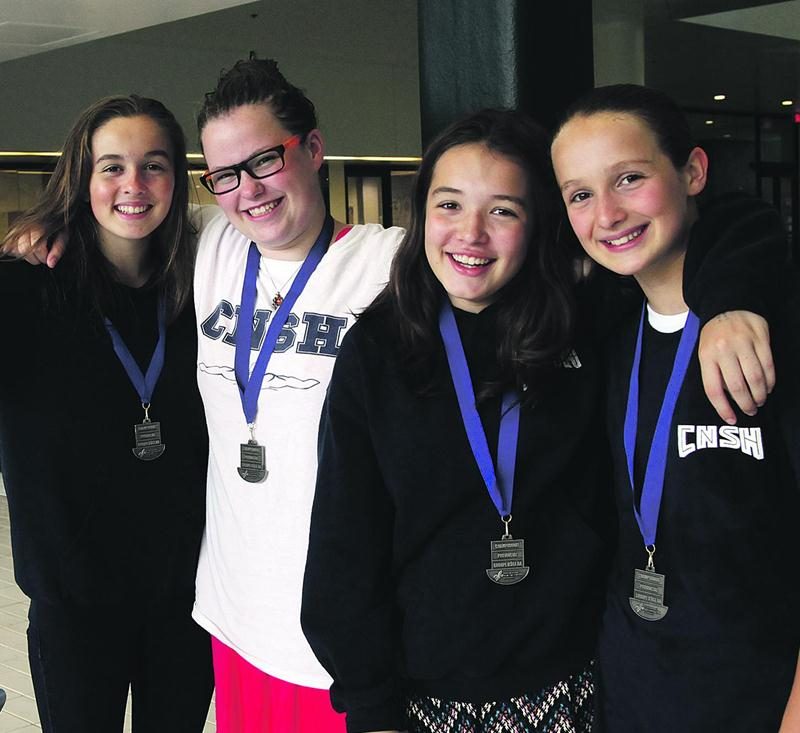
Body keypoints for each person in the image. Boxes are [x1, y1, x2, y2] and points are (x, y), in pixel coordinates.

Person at [550, 83, 800, 732]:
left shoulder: (773, 329)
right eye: (580, 194)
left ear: (691, 171)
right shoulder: (604, 326)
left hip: (762, 697)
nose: (606, 214)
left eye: (629, 178)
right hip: (633, 687)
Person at [191, 58, 405, 732]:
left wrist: (726, 291)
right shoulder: (211, 246)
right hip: (236, 616)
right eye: (224, 175)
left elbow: (525, 251)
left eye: (263, 161)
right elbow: (107, 221)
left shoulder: (385, 262)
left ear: (312, 149)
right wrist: (40, 230)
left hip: (336, 636)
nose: (246, 191)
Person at [0, 96, 212, 732]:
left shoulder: (203, 290)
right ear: (80, 178)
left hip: (187, 600)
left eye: (154, 166)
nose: (134, 186)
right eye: (111, 167)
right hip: (75, 605)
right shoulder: (24, 289)